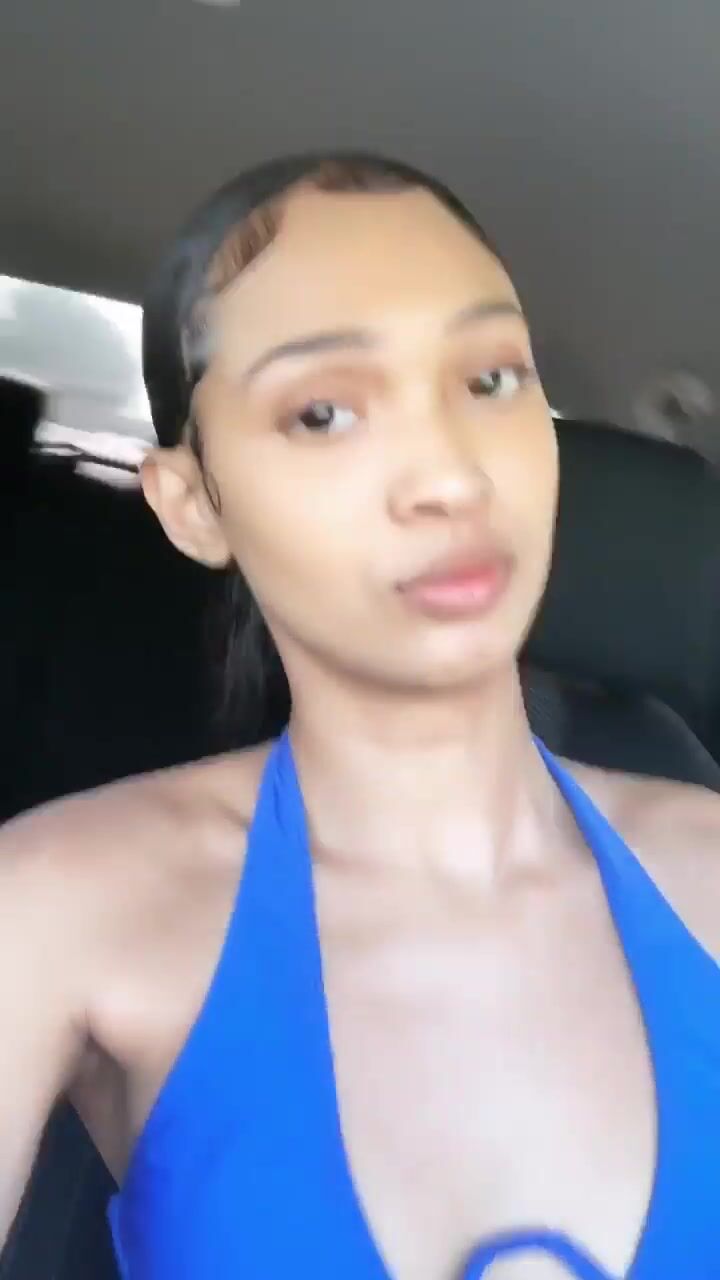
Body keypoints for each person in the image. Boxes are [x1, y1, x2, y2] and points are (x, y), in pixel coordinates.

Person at [2, 153, 720, 1280]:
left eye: (491, 379)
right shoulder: (55, 905)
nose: (450, 477)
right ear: (192, 506)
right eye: (323, 411)